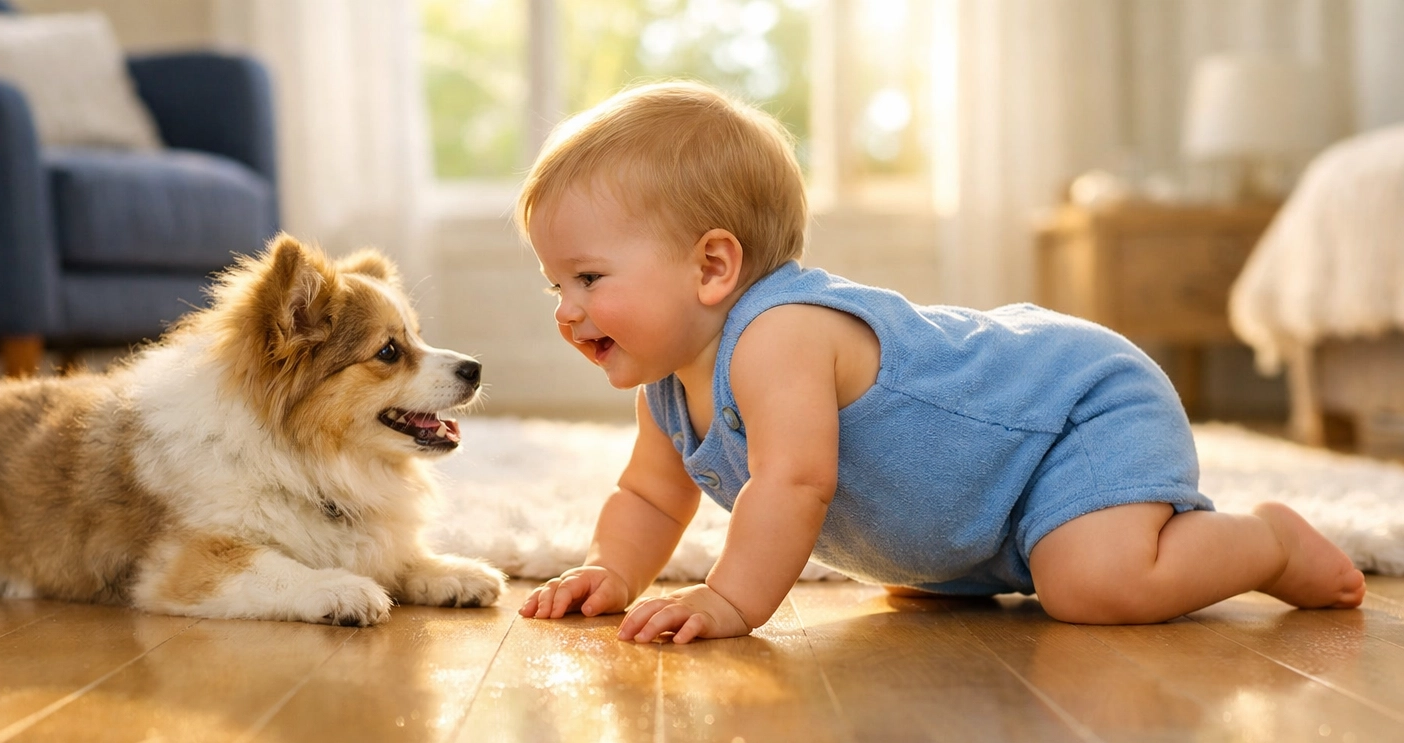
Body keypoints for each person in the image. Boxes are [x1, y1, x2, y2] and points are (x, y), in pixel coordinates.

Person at [514, 81, 1365, 644]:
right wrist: (610, 569)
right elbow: (648, 494)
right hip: (988, 502)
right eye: (557, 283)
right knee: (941, 589)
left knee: (1095, 587)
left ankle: (1268, 543)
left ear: (712, 267)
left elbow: (792, 483)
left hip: (1071, 415)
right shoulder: (668, 388)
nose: (568, 309)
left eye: (589, 277)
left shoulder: (780, 336)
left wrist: (733, 599)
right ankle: (992, 560)